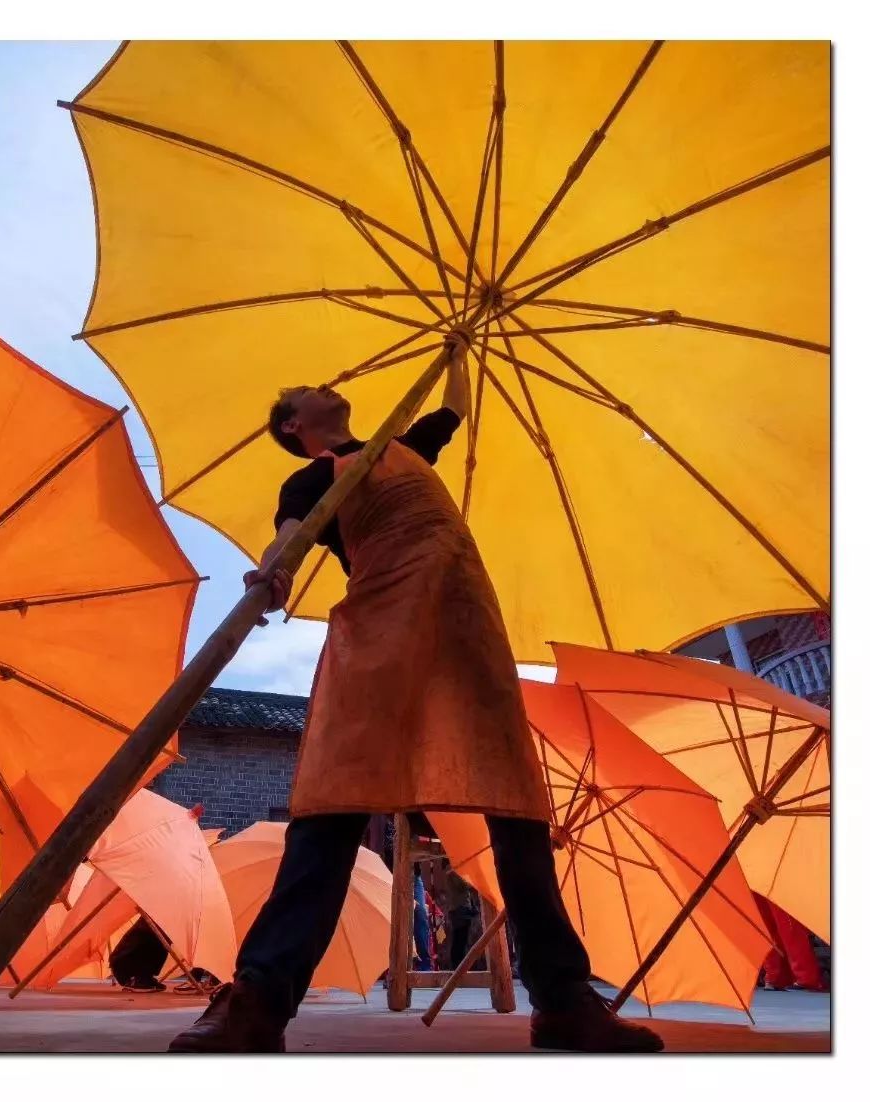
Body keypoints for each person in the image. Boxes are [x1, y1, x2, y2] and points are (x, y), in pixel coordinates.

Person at [168, 333, 662, 1054]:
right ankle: (260, 998)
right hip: (381, 632)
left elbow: (454, 408)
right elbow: (288, 541)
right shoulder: (312, 481)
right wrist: (269, 574)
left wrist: (461, 351)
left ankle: (562, 1000)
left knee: (517, 811)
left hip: (466, 632)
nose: (328, 382)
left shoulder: (402, 447)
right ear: (294, 427)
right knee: (333, 807)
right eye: (309, 390)